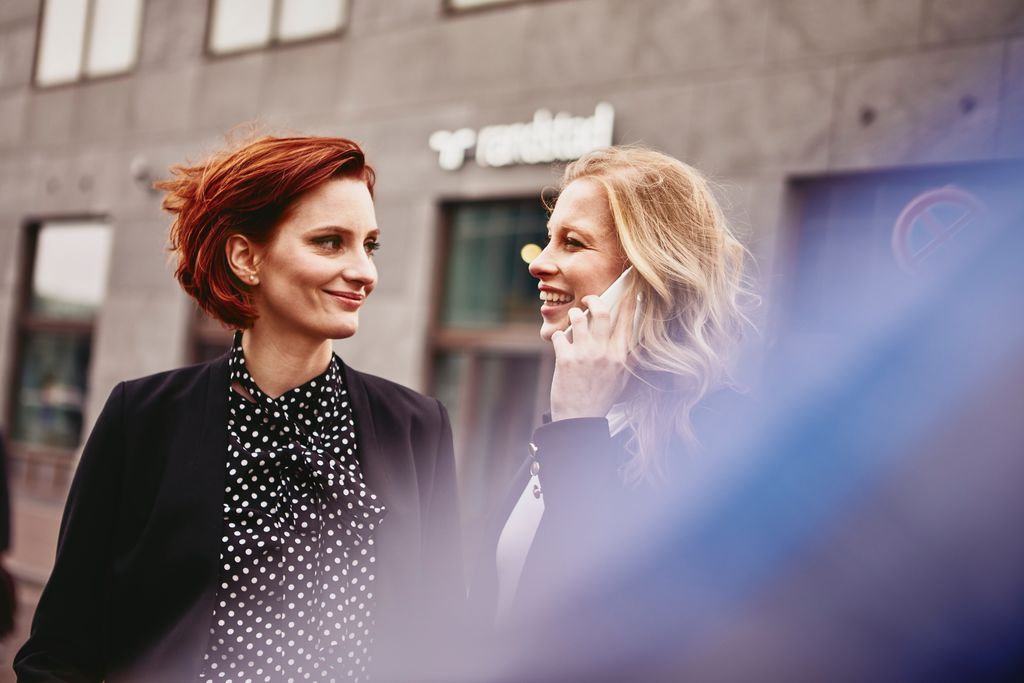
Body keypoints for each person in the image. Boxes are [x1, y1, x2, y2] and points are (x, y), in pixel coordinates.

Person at [15, 135, 463, 683]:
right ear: (247, 257)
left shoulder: (416, 427)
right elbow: (61, 650)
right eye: (330, 242)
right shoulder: (143, 419)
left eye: (369, 245)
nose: (364, 271)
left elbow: (442, 647)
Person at [467, 146, 754, 668]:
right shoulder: (582, 416)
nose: (541, 263)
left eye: (572, 243)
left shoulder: (720, 435)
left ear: (646, 276)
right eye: (549, 238)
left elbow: (598, 625)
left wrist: (578, 427)